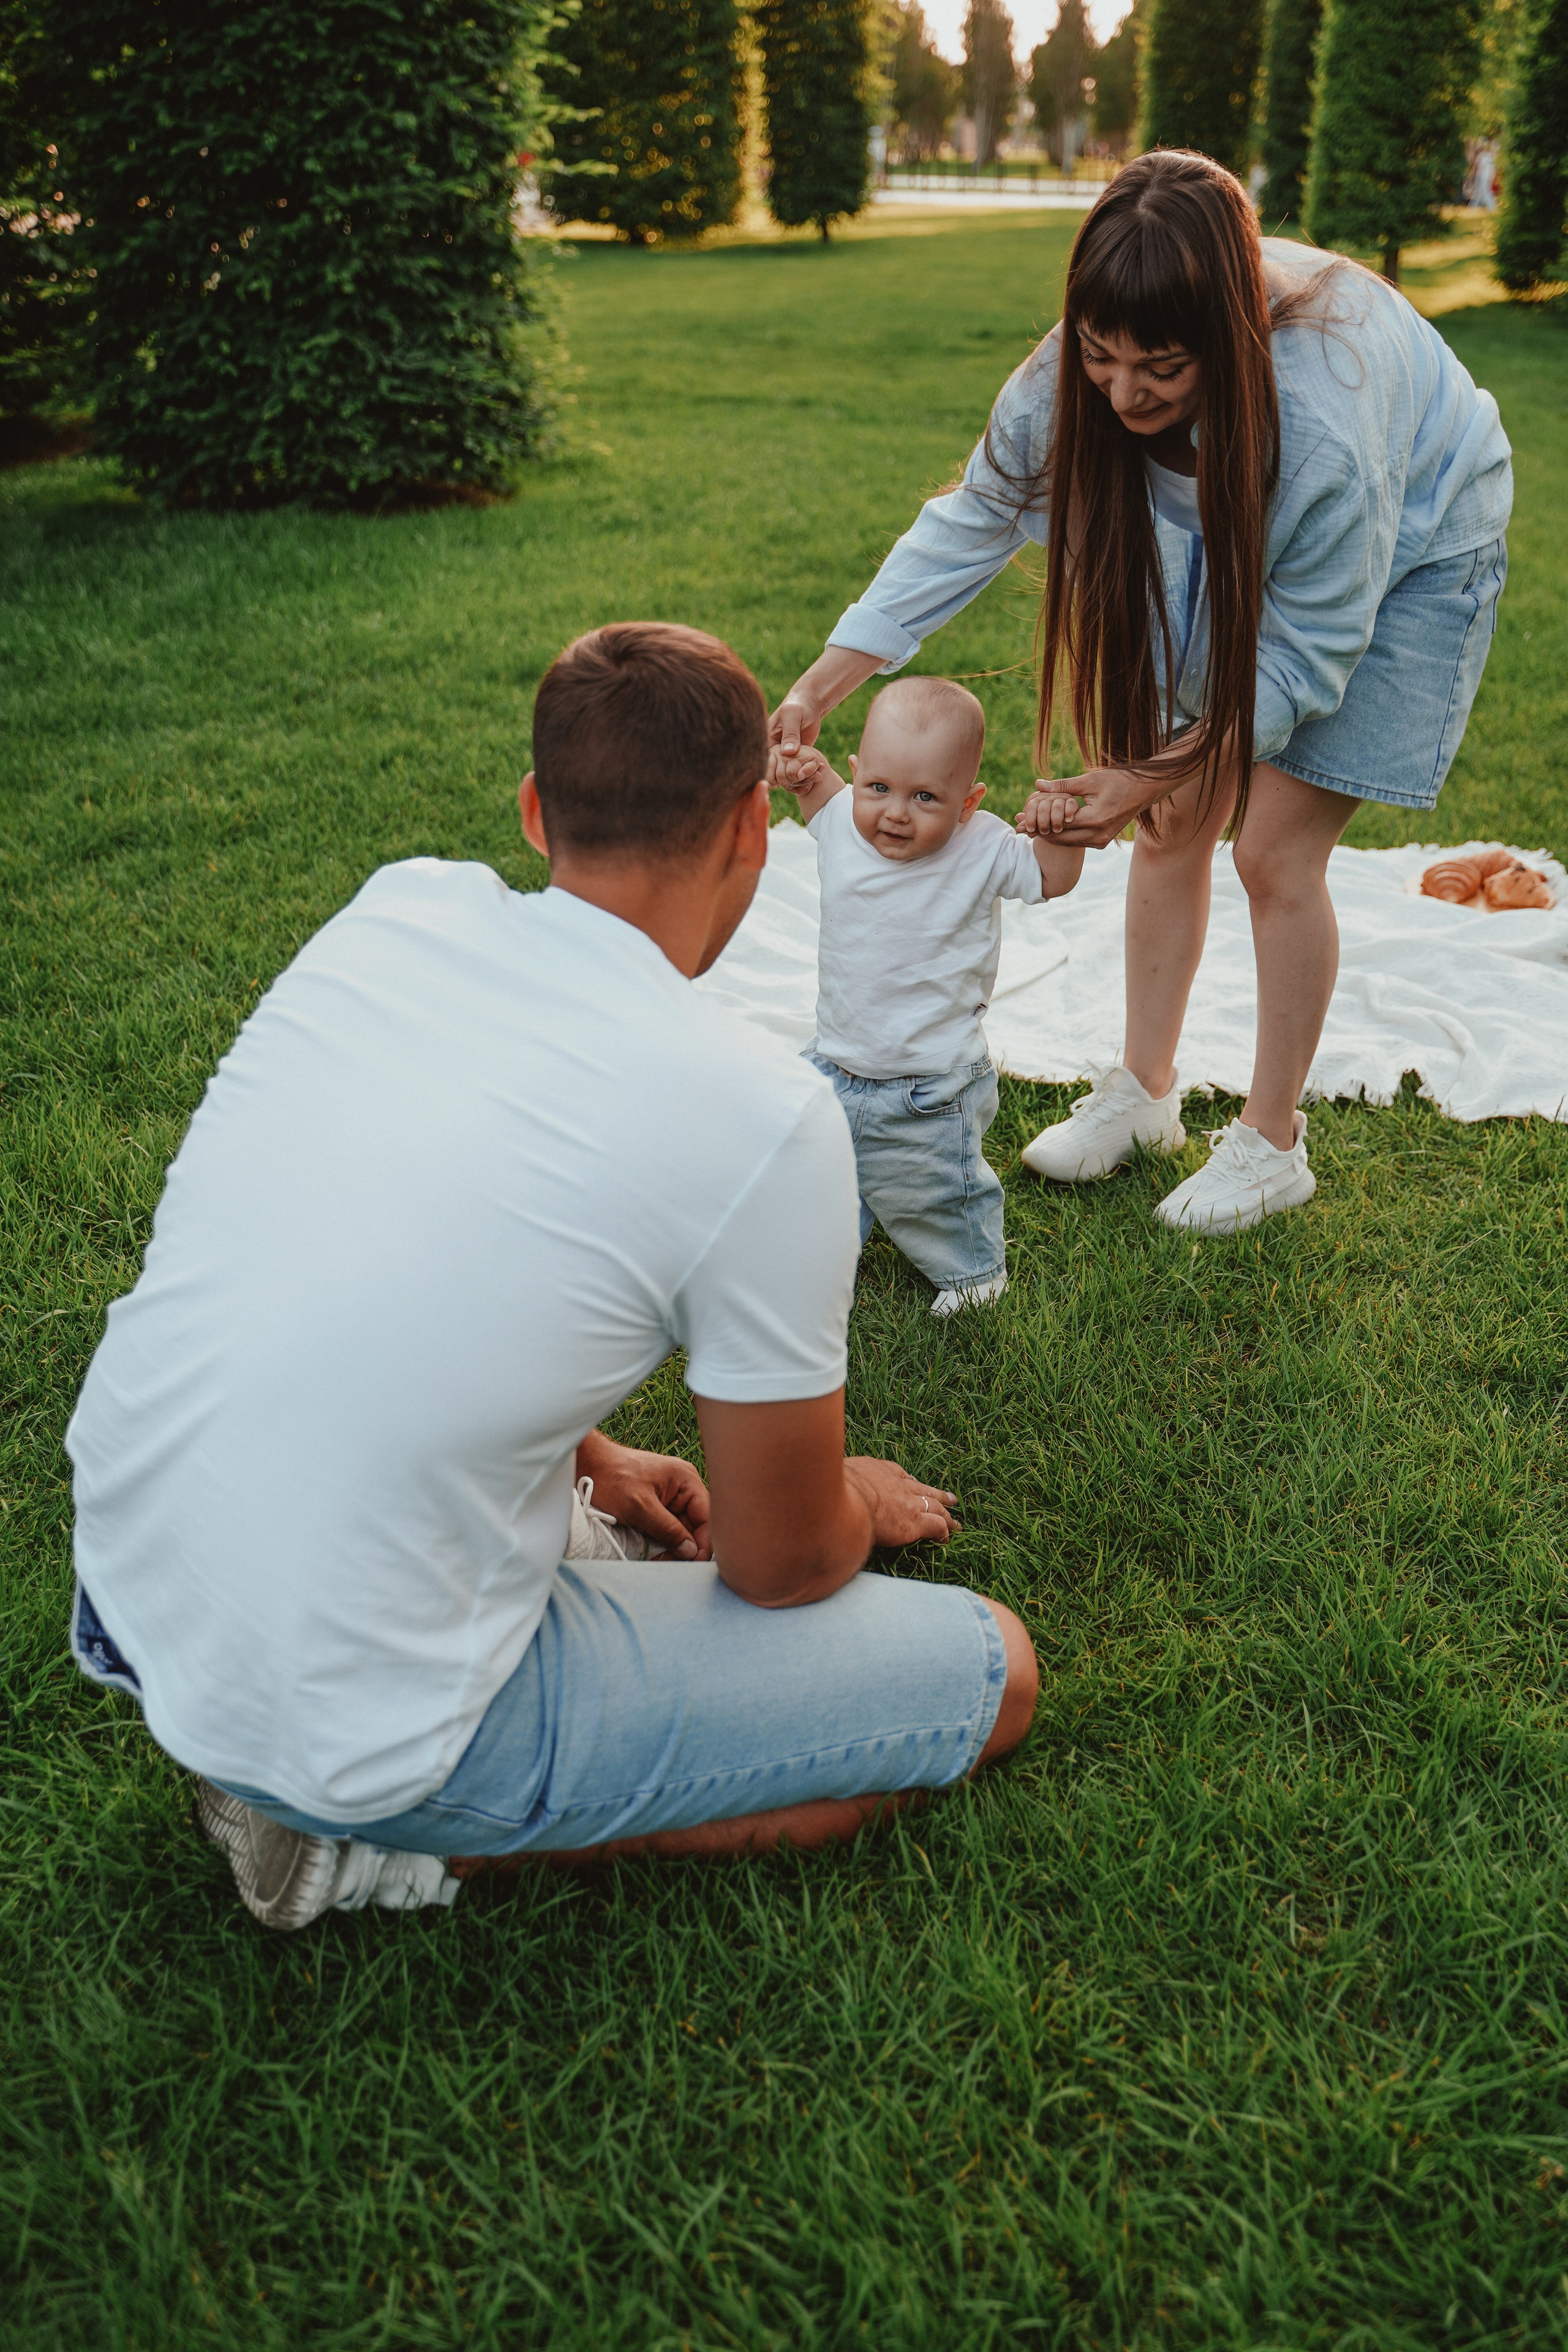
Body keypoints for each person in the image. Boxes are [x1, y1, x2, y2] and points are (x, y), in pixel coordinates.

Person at [66, 622, 1038, 1932]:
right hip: (351, 1715)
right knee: (988, 1674)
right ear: (757, 829)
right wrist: (849, 1499)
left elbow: (395, 1248)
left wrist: (586, 1454)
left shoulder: (394, 909)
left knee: (642, 1533)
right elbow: (784, 1565)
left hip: (135, 1589)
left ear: (534, 813)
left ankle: (344, 1729)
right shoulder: (763, 1114)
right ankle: (381, 1848)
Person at [770, 149, 1513, 1237]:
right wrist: (826, 679)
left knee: (1270, 847)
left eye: (1159, 365)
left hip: (1418, 549)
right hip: (1254, 505)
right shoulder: (1076, 375)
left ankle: (1271, 1144)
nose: (1122, 392)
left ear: (1228, 334)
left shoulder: (1325, 434)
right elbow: (977, 514)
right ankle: (1146, 1091)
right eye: (1101, 355)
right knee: (1173, 820)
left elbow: (1303, 657)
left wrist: (1152, 764)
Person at [788, 674, 1082, 1316]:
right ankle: (831, 1243)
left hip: (929, 1082)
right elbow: (821, 803)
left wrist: (1059, 832)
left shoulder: (982, 848)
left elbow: (1050, 878)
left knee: (937, 1187)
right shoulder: (844, 819)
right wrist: (804, 776)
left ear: (968, 802)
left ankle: (974, 1272)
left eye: (925, 796)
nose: (895, 812)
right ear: (857, 773)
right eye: (879, 788)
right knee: (822, 1172)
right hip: (837, 1059)